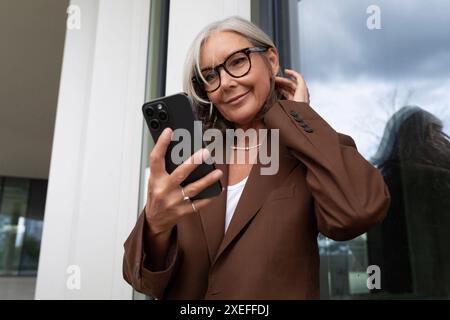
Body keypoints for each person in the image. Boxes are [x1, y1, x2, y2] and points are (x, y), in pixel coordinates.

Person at [122, 16, 390, 299]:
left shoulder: (304, 150)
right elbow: (141, 280)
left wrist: (299, 115)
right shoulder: (195, 157)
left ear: (271, 61)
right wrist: (156, 224)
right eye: (210, 76)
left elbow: (358, 210)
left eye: (237, 61)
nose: (224, 83)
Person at [367, 106, 450, 297]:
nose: (443, 139)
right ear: (422, 136)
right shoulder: (425, 182)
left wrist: (378, 289)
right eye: (435, 131)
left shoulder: (382, 187)